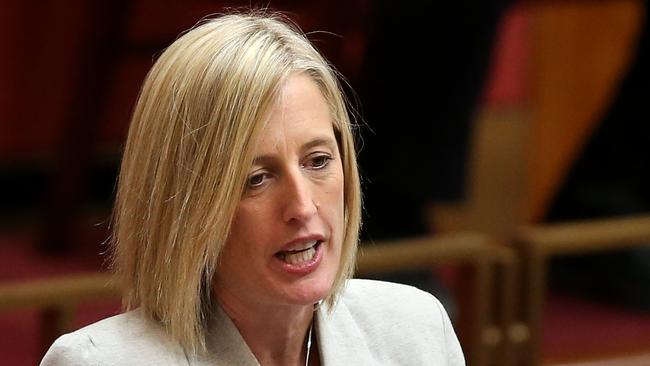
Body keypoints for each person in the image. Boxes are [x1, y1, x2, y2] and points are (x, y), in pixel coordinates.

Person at [40, 12, 464, 365]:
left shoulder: (415, 331)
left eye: (318, 161)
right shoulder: (98, 362)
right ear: (185, 204)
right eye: (255, 179)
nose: (302, 206)